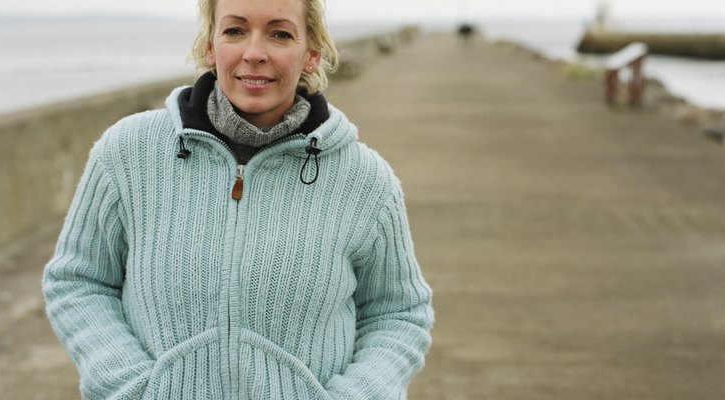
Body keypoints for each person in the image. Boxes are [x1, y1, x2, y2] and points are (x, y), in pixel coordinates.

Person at [42, 0, 434, 398]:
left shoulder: (365, 180)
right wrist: (131, 387)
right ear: (210, 48)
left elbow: (398, 314)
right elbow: (79, 280)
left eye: (280, 34)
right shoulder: (128, 152)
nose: (254, 53)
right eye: (235, 31)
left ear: (312, 53)